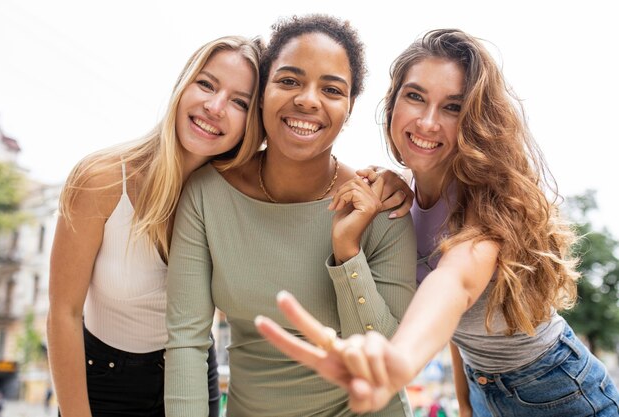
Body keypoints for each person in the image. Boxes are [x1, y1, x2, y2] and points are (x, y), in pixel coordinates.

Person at [255, 28, 619, 417]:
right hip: (485, 391)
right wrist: (465, 404)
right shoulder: (399, 196)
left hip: (559, 388)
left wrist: (399, 360)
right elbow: (452, 326)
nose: (427, 122)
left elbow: (455, 284)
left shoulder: (486, 204)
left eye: (452, 107)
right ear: (392, 102)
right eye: (415, 97)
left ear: (475, 120)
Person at [165, 15, 416, 417]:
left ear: (348, 109)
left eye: (331, 89)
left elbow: (386, 359)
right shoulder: (207, 196)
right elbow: (187, 343)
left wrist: (348, 252)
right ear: (262, 92)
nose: (308, 100)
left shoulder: (383, 207)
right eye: (289, 81)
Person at [47, 35, 264, 417]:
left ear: (252, 123)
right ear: (183, 85)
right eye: (207, 84)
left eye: (239, 102)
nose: (215, 107)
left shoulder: (232, 198)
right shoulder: (102, 180)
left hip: (193, 373)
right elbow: (63, 312)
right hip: (102, 381)